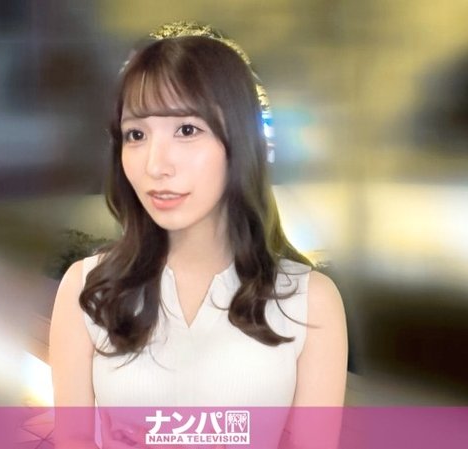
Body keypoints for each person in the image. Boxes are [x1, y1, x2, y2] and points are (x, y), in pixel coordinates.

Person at [49, 21, 347, 447]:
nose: (156, 165)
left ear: (239, 142)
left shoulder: (309, 302)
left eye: (186, 130)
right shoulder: (87, 290)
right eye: (136, 134)